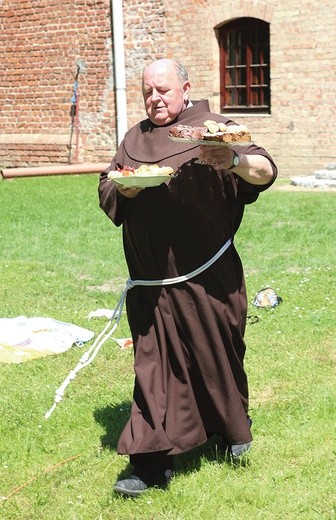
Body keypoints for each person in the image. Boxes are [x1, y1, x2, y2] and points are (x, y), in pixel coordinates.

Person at [98, 58, 277, 497]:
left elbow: (265, 169)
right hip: (153, 284)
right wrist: (123, 186)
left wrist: (232, 159)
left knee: (218, 361)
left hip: (209, 281)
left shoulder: (215, 127)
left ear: (185, 88)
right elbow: (108, 185)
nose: (154, 99)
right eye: (147, 92)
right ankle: (150, 463)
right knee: (155, 371)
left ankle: (229, 427)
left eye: (163, 90)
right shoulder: (135, 137)